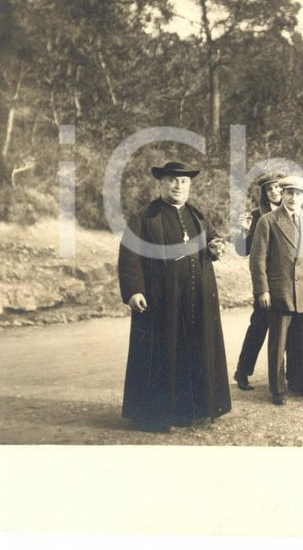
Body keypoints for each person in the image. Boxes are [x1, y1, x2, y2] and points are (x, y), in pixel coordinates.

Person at [117, 161, 231, 432]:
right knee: (163, 353)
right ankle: (156, 415)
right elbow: (129, 258)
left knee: (194, 351)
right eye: (172, 180)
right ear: (161, 183)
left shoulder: (197, 215)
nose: (178, 186)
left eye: (184, 181)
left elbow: (213, 241)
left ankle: (194, 410)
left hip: (197, 298)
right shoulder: (144, 216)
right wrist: (134, 291)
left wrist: (216, 246)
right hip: (161, 300)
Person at [248, 175, 303, 405]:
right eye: (290, 193)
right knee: (278, 342)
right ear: (282, 194)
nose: (294, 198)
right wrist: (262, 290)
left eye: (299, 194)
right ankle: (278, 389)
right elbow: (257, 259)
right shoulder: (268, 221)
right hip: (280, 290)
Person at [230, 170, 284, 391]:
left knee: (288, 329)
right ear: (264, 193)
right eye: (269, 189)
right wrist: (243, 231)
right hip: (267, 279)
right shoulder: (256, 215)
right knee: (259, 326)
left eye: (278, 187)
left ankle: (287, 376)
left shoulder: (295, 211)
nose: (275, 192)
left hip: (289, 280)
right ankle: (242, 372)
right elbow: (243, 251)